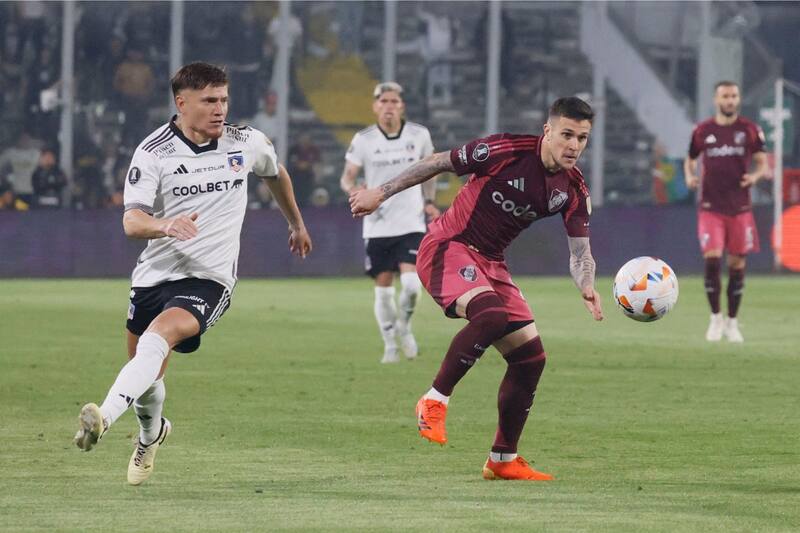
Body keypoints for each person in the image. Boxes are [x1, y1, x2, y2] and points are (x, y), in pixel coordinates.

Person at [73, 62, 312, 486]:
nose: (220, 109)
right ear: (181, 103)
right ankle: (151, 435)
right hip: (154, 274)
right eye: (209, 101)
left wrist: (295, 222)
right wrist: (165, 225)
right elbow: (131, 222)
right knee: (148, 375)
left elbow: (275, 173)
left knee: (156, 339)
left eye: (223, 99)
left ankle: (103, 418)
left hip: (210, 278)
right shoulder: (155, 152)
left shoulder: (245, 142)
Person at [350, 97, 603, 480]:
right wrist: (380, 193)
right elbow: (437, 162)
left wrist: (586, 284)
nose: (574, 145)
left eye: (582, 138)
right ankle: (433, 401)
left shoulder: (573, 189)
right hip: (448, 245)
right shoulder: (506, 150)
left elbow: (580, 253)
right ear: (547, 131)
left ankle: (502, 459)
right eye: (566, 134)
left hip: (491, 264)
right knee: (491, 315)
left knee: (531, 358)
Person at [340, 82, 439, 364]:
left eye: (394, 101)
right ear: (375, 106)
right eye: (383, 101)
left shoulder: (419, 135)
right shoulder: (364, 139)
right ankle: (390, 346)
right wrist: (354, 192)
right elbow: (347, 177)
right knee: (383, 289)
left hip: (411, 222)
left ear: (401, 106)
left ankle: (405, 327)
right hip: (378, 224)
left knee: (411, 285)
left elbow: (431, 170)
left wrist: (430, 201)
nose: (389, 106)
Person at [684, 81, 768, 343]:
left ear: (738, 99)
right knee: (712, 258)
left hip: (740, 208)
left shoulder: (750, 130)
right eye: (725, 96)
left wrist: (754, 177)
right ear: (716, 99)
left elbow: (763, 163)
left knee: (737, 264)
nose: (730, 100)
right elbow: (691, 158)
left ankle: (732, 321)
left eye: (733, 96)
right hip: (711, 207)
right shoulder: (702, 131)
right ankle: (715, 317)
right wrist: (689, 176)